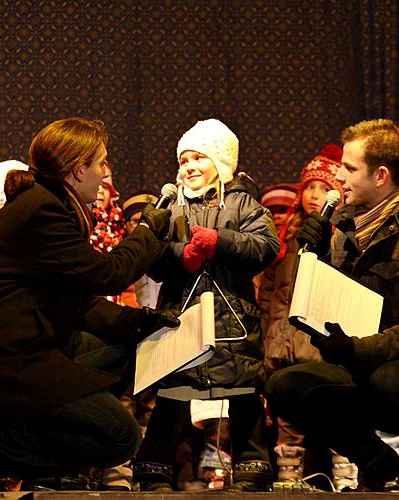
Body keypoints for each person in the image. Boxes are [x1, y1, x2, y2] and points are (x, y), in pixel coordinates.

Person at [0, 118, 180, 489]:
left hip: (22, 349)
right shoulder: (41, 210)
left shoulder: (51, 205)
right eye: (101, 163)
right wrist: (145, 233)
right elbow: (106, 274)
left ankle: (40, 464)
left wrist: (142, 322)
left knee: (132, 348)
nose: (105, 174)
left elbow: (79, 302)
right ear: (78, 170)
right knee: (121, 437)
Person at [265, 118, 399, 492]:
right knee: (284, 386)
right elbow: (336, 302)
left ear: (380, 175)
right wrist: (316, 258)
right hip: (366, 366)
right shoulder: (344, 229)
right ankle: (376, 460)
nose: (339, 177)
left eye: (349, 168)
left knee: (389, 380)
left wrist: (357, 349)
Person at [132, 118, 280, 492]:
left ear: (221, 162)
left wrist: (222, 242)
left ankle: (252, 467)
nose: (189, 168)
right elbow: (151, 255)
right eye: (183, 160)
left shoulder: (242, 202)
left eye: (199, 158)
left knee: (244, 391)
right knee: (173, 391)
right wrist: (182, 256)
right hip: (182, 315)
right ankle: (154, 469)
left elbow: (265, 246)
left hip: (233, 318)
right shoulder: (171, 208)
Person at [257, 145, 347, 486]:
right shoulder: (285, 240)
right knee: (288, 417)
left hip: (321, 344)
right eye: (309, 187)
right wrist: (268, 336)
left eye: (324, 188)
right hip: (284, 343)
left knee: (336, 410)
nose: (314, 195)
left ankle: (345, 477)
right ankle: (289, 478)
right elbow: (269, 294)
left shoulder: (341, 238)